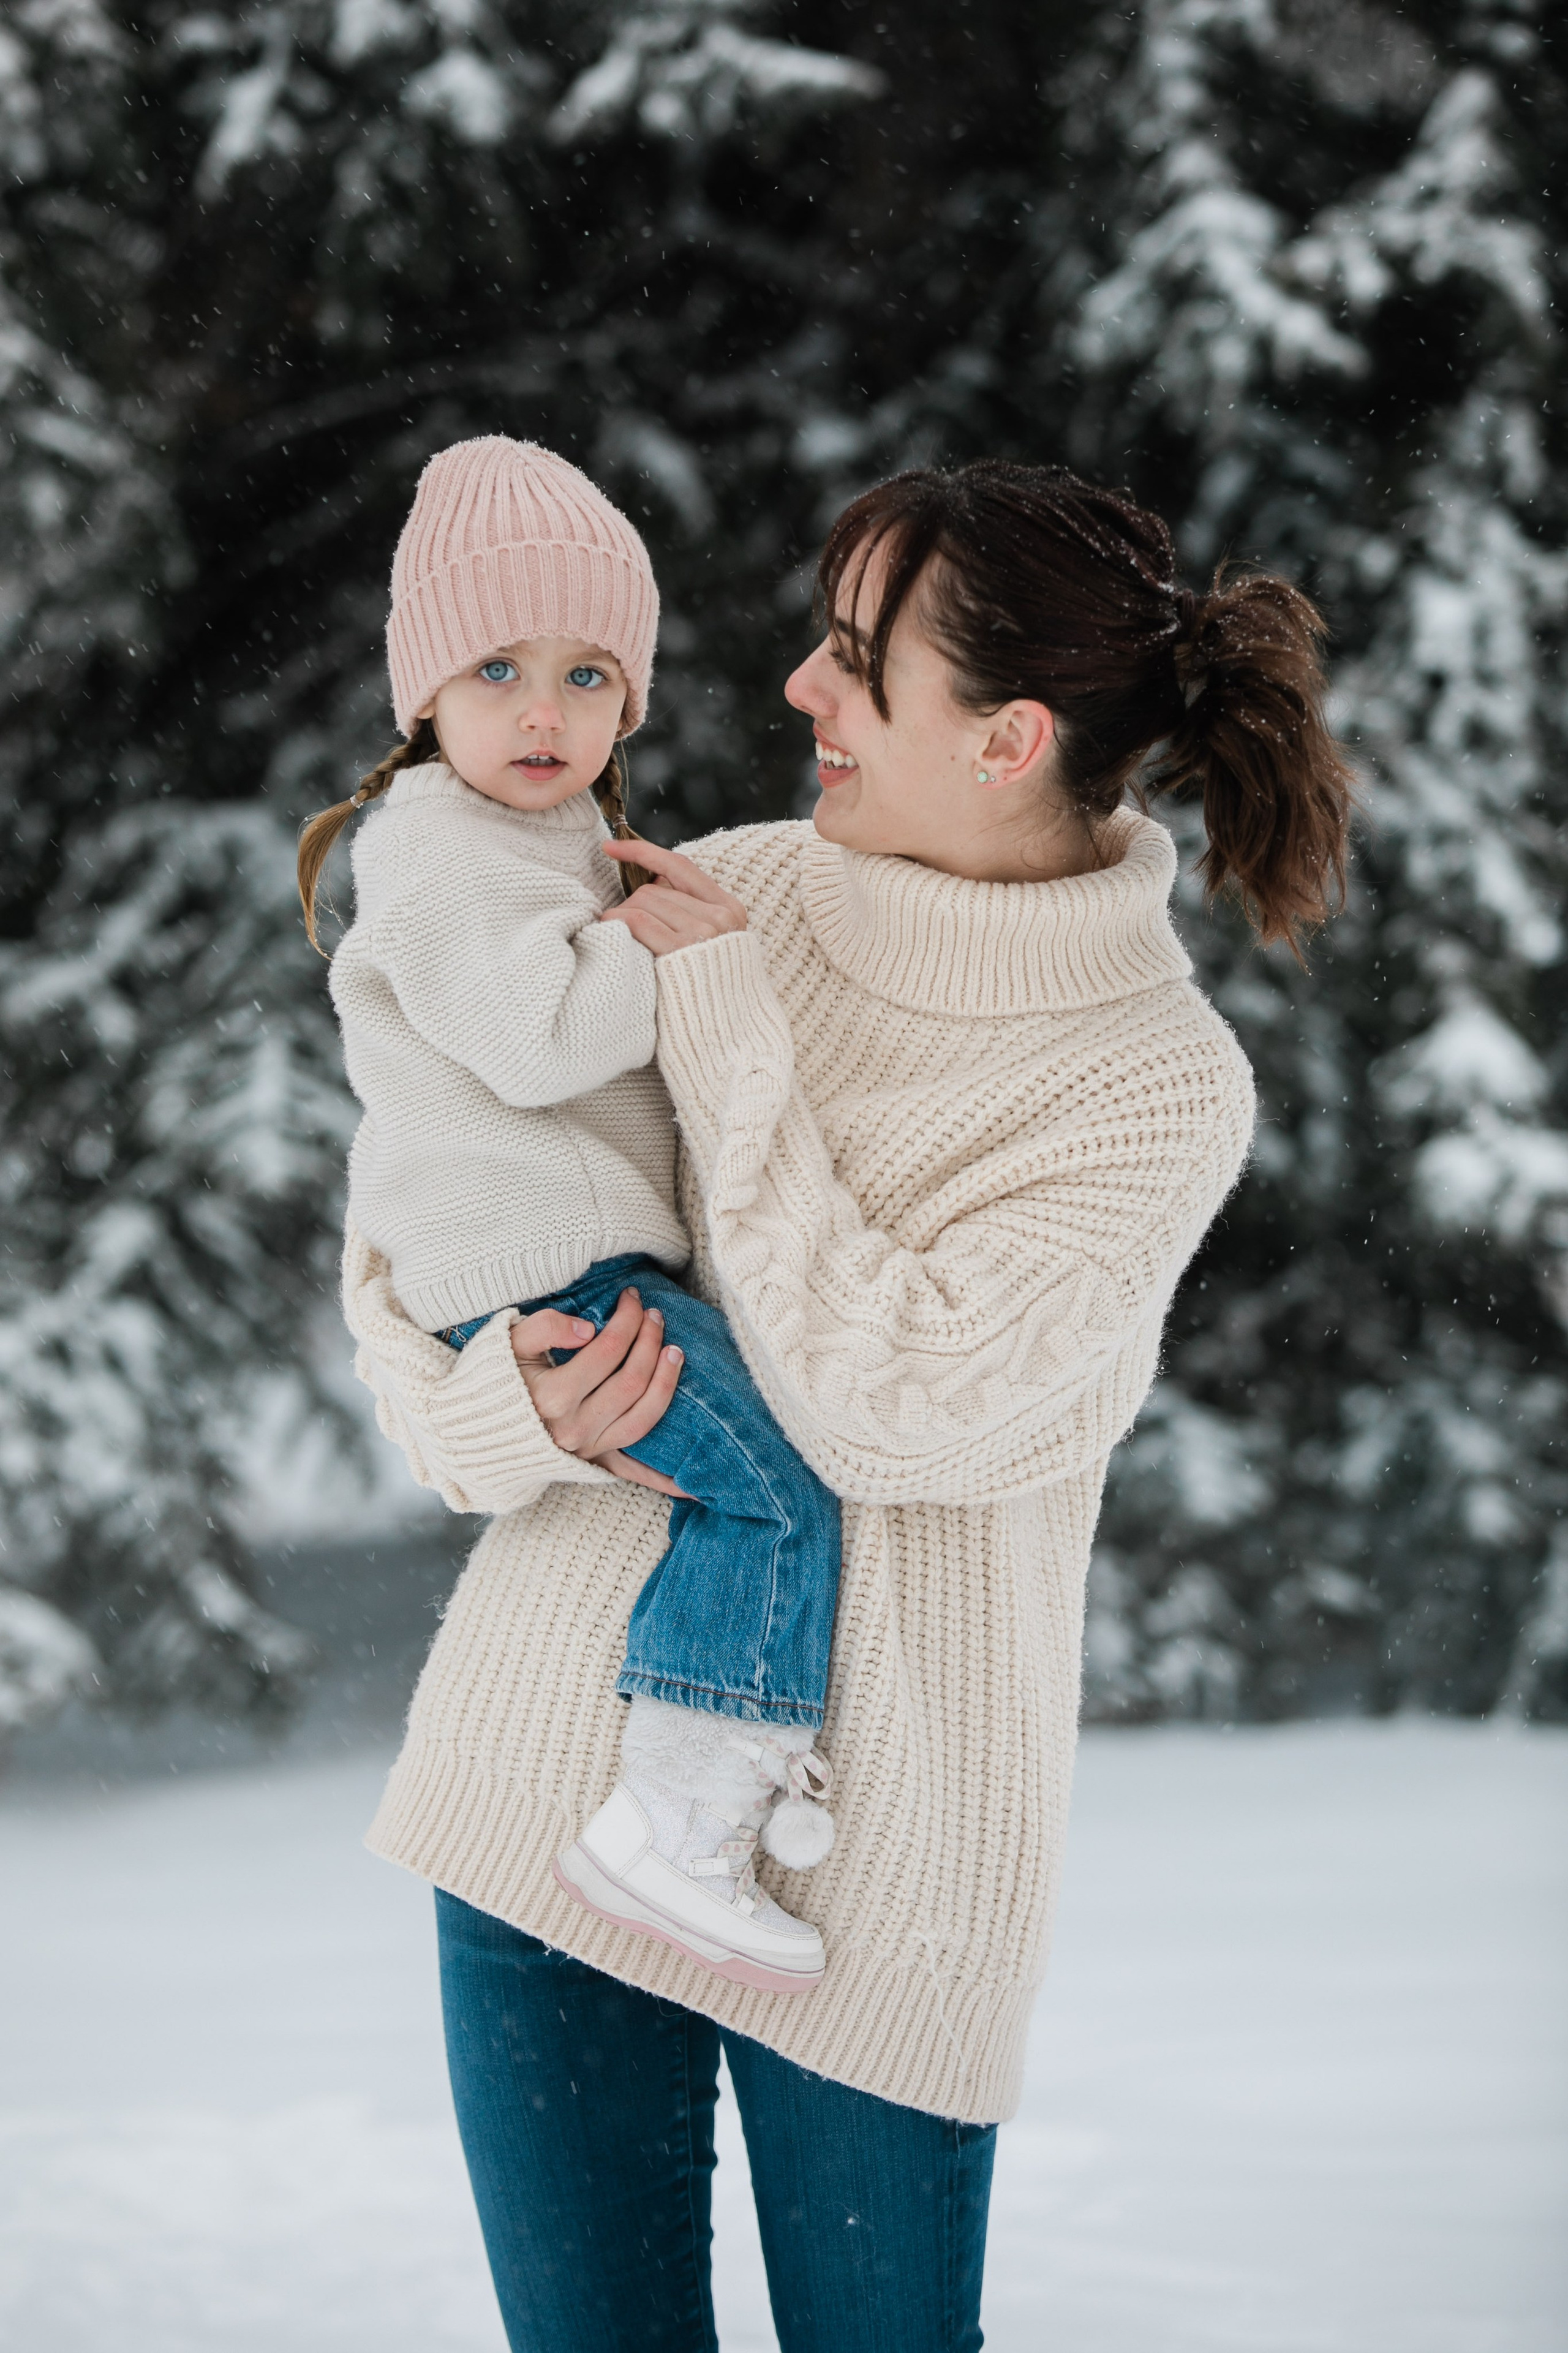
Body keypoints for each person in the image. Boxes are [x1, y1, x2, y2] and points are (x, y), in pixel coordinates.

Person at [343, 457, 1354, 2353]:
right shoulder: (729, 891)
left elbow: (895, 1408)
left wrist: (730, 1035)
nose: (798, 686)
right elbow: (428, 1205)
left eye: (855, 660)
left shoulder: (1149, 1088)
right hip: (548, 1792)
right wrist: (502, 1413)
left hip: (885, 1900)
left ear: (1007, 737)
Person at [301, 436, 842, 1998]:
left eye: (587, 675)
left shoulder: (526, 838)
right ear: (422, 692)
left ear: (631, 700)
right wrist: (657, 952)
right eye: (498, 670)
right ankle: (681, 1815)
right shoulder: (436, 850)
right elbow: (539, 1040)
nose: (544, 714)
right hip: (551, 1274)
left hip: (571, 1259)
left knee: (755, 1478)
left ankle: (710, 1780)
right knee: (772, 1492)